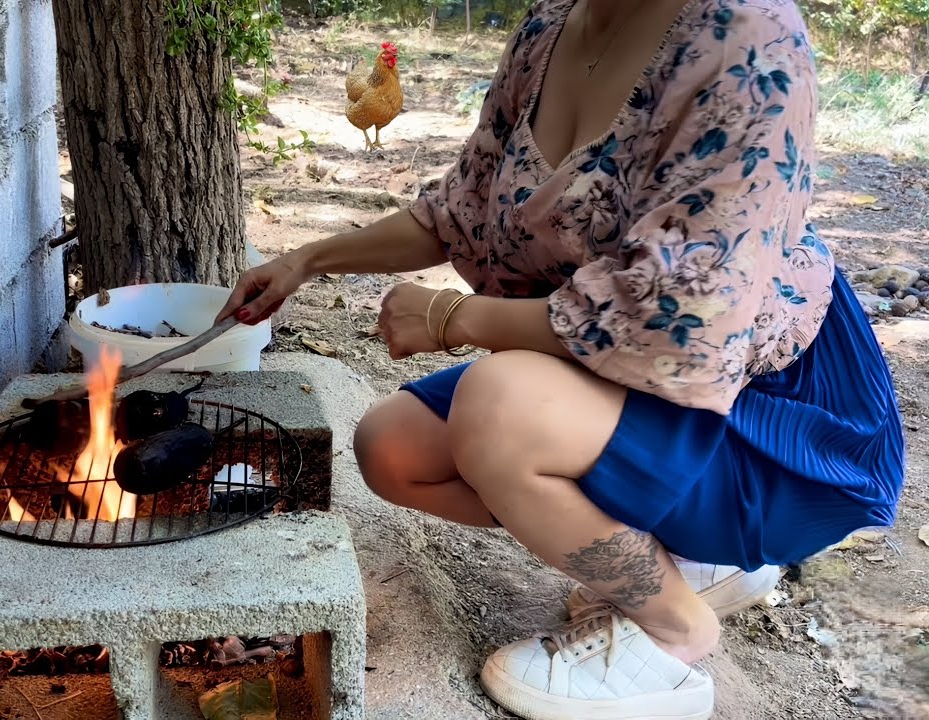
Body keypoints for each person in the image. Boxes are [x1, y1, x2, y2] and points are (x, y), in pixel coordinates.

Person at [217, 0, 906, 718]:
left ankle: (677, 635)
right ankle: (690, 567)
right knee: (391, 449)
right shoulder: (551, 25)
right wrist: (307, 260)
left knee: (497, 407)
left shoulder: (749, 38)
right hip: (598, 373)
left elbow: (674, 324)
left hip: (764, 413)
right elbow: (458, 211)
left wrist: (455, 317)